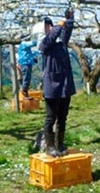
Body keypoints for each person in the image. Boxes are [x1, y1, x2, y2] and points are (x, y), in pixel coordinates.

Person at [39, 10, 76, 157]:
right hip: (52, 88)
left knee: (63, 116)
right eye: (48, 26)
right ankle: (50, 146)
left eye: (51, 25)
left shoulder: (60, 44)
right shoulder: (44, 44)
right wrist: (60, 24)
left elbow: (65, 34)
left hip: (65, 86)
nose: (51, 27)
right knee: (51, 117)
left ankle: (60, 143)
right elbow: (52, 36)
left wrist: (70, 20)